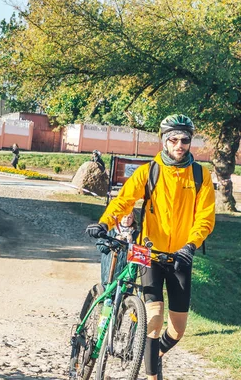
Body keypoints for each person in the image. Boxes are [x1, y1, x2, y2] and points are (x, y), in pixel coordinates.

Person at [85, 114, 215, 380]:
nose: (180, 144)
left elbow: (205, 217)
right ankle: (151, 375)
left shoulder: (201, 175)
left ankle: (154, 354)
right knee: (153, 319)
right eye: (174, 139)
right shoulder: (149, 171)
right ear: (165, 141)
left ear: (190, 142)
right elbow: (123, 201)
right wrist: (104, 223)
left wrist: (191, 246)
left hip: (181, 255)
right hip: (148, 252)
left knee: (177, 330)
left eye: (185, 140)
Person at [96, 211, 139, 288]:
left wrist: (131, 243)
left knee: (125, 295)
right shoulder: (110, 230)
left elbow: (140, 253)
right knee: (108, 294)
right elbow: (100, 247)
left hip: (128, 271)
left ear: (133, 220)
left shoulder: (137, 234)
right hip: (109, 270)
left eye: (129, 217)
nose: (127, 219)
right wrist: (113, 241)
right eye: (124, 216)